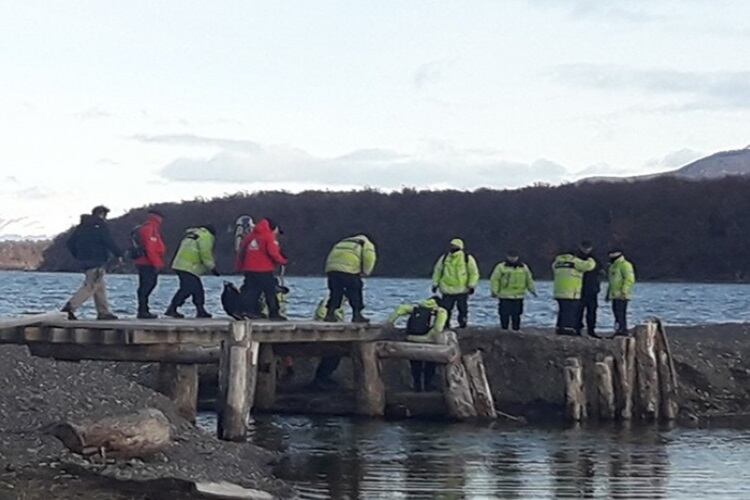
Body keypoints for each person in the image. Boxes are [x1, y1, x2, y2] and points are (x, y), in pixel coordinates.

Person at [61, 206, 123, 320]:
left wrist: (78, 255)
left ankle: (103, 312)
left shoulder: (81, 227)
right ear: (102, 214)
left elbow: (70, 243)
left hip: (84, 261)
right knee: (90, 286)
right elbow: (108, 241)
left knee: (99, 286)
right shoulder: (100, 226)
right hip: (97, 260)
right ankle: (69, 308)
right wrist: (119, 254)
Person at [387, 296, 448, 392]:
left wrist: (389, 322)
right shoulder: (440, 311)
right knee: (430, 365)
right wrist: (428, 337)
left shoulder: (416, 308)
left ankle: (417, 386)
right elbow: (438, 329)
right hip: (429, 343)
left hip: (412, 339)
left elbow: (400, 309)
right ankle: (428, 386)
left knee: (416, 366)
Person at [236, 218, 287, 320]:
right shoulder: (268, 236)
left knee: (250, 291)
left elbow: (241, 251)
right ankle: (274, 313)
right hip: (264, 269)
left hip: (249, 269)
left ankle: (247, 311)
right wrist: (283, 261)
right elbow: (273, 253)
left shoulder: (250, 237)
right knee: (270, 291)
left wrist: (239, 266)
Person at [165, 225, 219, 319]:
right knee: (188, 289)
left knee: (195, 289)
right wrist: (212, 267)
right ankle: (173, 308)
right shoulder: (206, 237)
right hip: (189, 267)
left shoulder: (193, 234)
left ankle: (200, 310)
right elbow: (205, 253)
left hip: (180, 264)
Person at [324, 234, 377, 323]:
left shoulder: (342, 242)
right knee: (355, 291)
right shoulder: (366, 244)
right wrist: (366, 272)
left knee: (335, 292)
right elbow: (369, 258)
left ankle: (330, 314)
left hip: (332, 269)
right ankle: (357, 315)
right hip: (349, 270)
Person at [431, 238, 479, 329]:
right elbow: (437, 271)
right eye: (452, 245)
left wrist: (472, 285)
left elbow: (473, 272)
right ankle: (445, 324)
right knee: (445, 309)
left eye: (455, 245)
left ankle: (462, 324)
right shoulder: (444, 258)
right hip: (446, 289)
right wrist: (435, 284)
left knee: (462, 309)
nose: (453, 247)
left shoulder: (467, 258)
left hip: (462, 289)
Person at [489, 251, 536, 330]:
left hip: (518, 296)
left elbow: (529, 279)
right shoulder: (501, 267)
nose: (512, 258)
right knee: (504, 314)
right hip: (504, 295)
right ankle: (504, 328)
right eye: (511, 256)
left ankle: (516, 329)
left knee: (517, 314)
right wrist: (494, 291)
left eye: (514, 256)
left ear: (518, 257)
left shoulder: (523, 267)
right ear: (507, 256)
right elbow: (495, 279)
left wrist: (532, 290)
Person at [132, 209, 166, 319]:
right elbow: (150, 248)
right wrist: (156, 263)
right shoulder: (150, 229)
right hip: (147, 262)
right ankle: (143, 310)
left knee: (146, 286)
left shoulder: (149, 228)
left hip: (145, 261)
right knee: (147, 285)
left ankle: (143, 309)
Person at [552, 250, 596, 335]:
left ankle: (559, 328)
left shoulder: (557, 262)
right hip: (571, 291)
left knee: (562, 310)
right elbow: (589, 266)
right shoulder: (574, 261)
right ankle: (568, 329)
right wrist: (591, 259)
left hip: (559, 291)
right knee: (571, 311)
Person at [310, 297, 347, 389]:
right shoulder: (330, 301)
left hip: (328, 335)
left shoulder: (338, 302)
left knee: (337, 352)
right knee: (334, 353)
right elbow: (321, 318)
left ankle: (323, 378)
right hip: (321, 336)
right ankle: (321, 379)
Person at [607, 249, 636, 335]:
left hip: (622, 295)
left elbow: (629, 279)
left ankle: (623, 330)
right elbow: (612, 282)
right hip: (614, 295)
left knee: (621, 313)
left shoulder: (625, 265)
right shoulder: (613, 266)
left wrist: (624, 291)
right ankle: (618, 329)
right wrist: (608, 293)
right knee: (616, 314)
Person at [576, 241, 602, 338]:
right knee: (579, 311)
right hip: (581, 288)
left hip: (591, 289)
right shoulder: (578, 259)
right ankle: (578, 329)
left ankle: (591, 330)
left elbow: (600, 270)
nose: (586, 250)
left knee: (591, 311)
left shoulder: (594, 259)